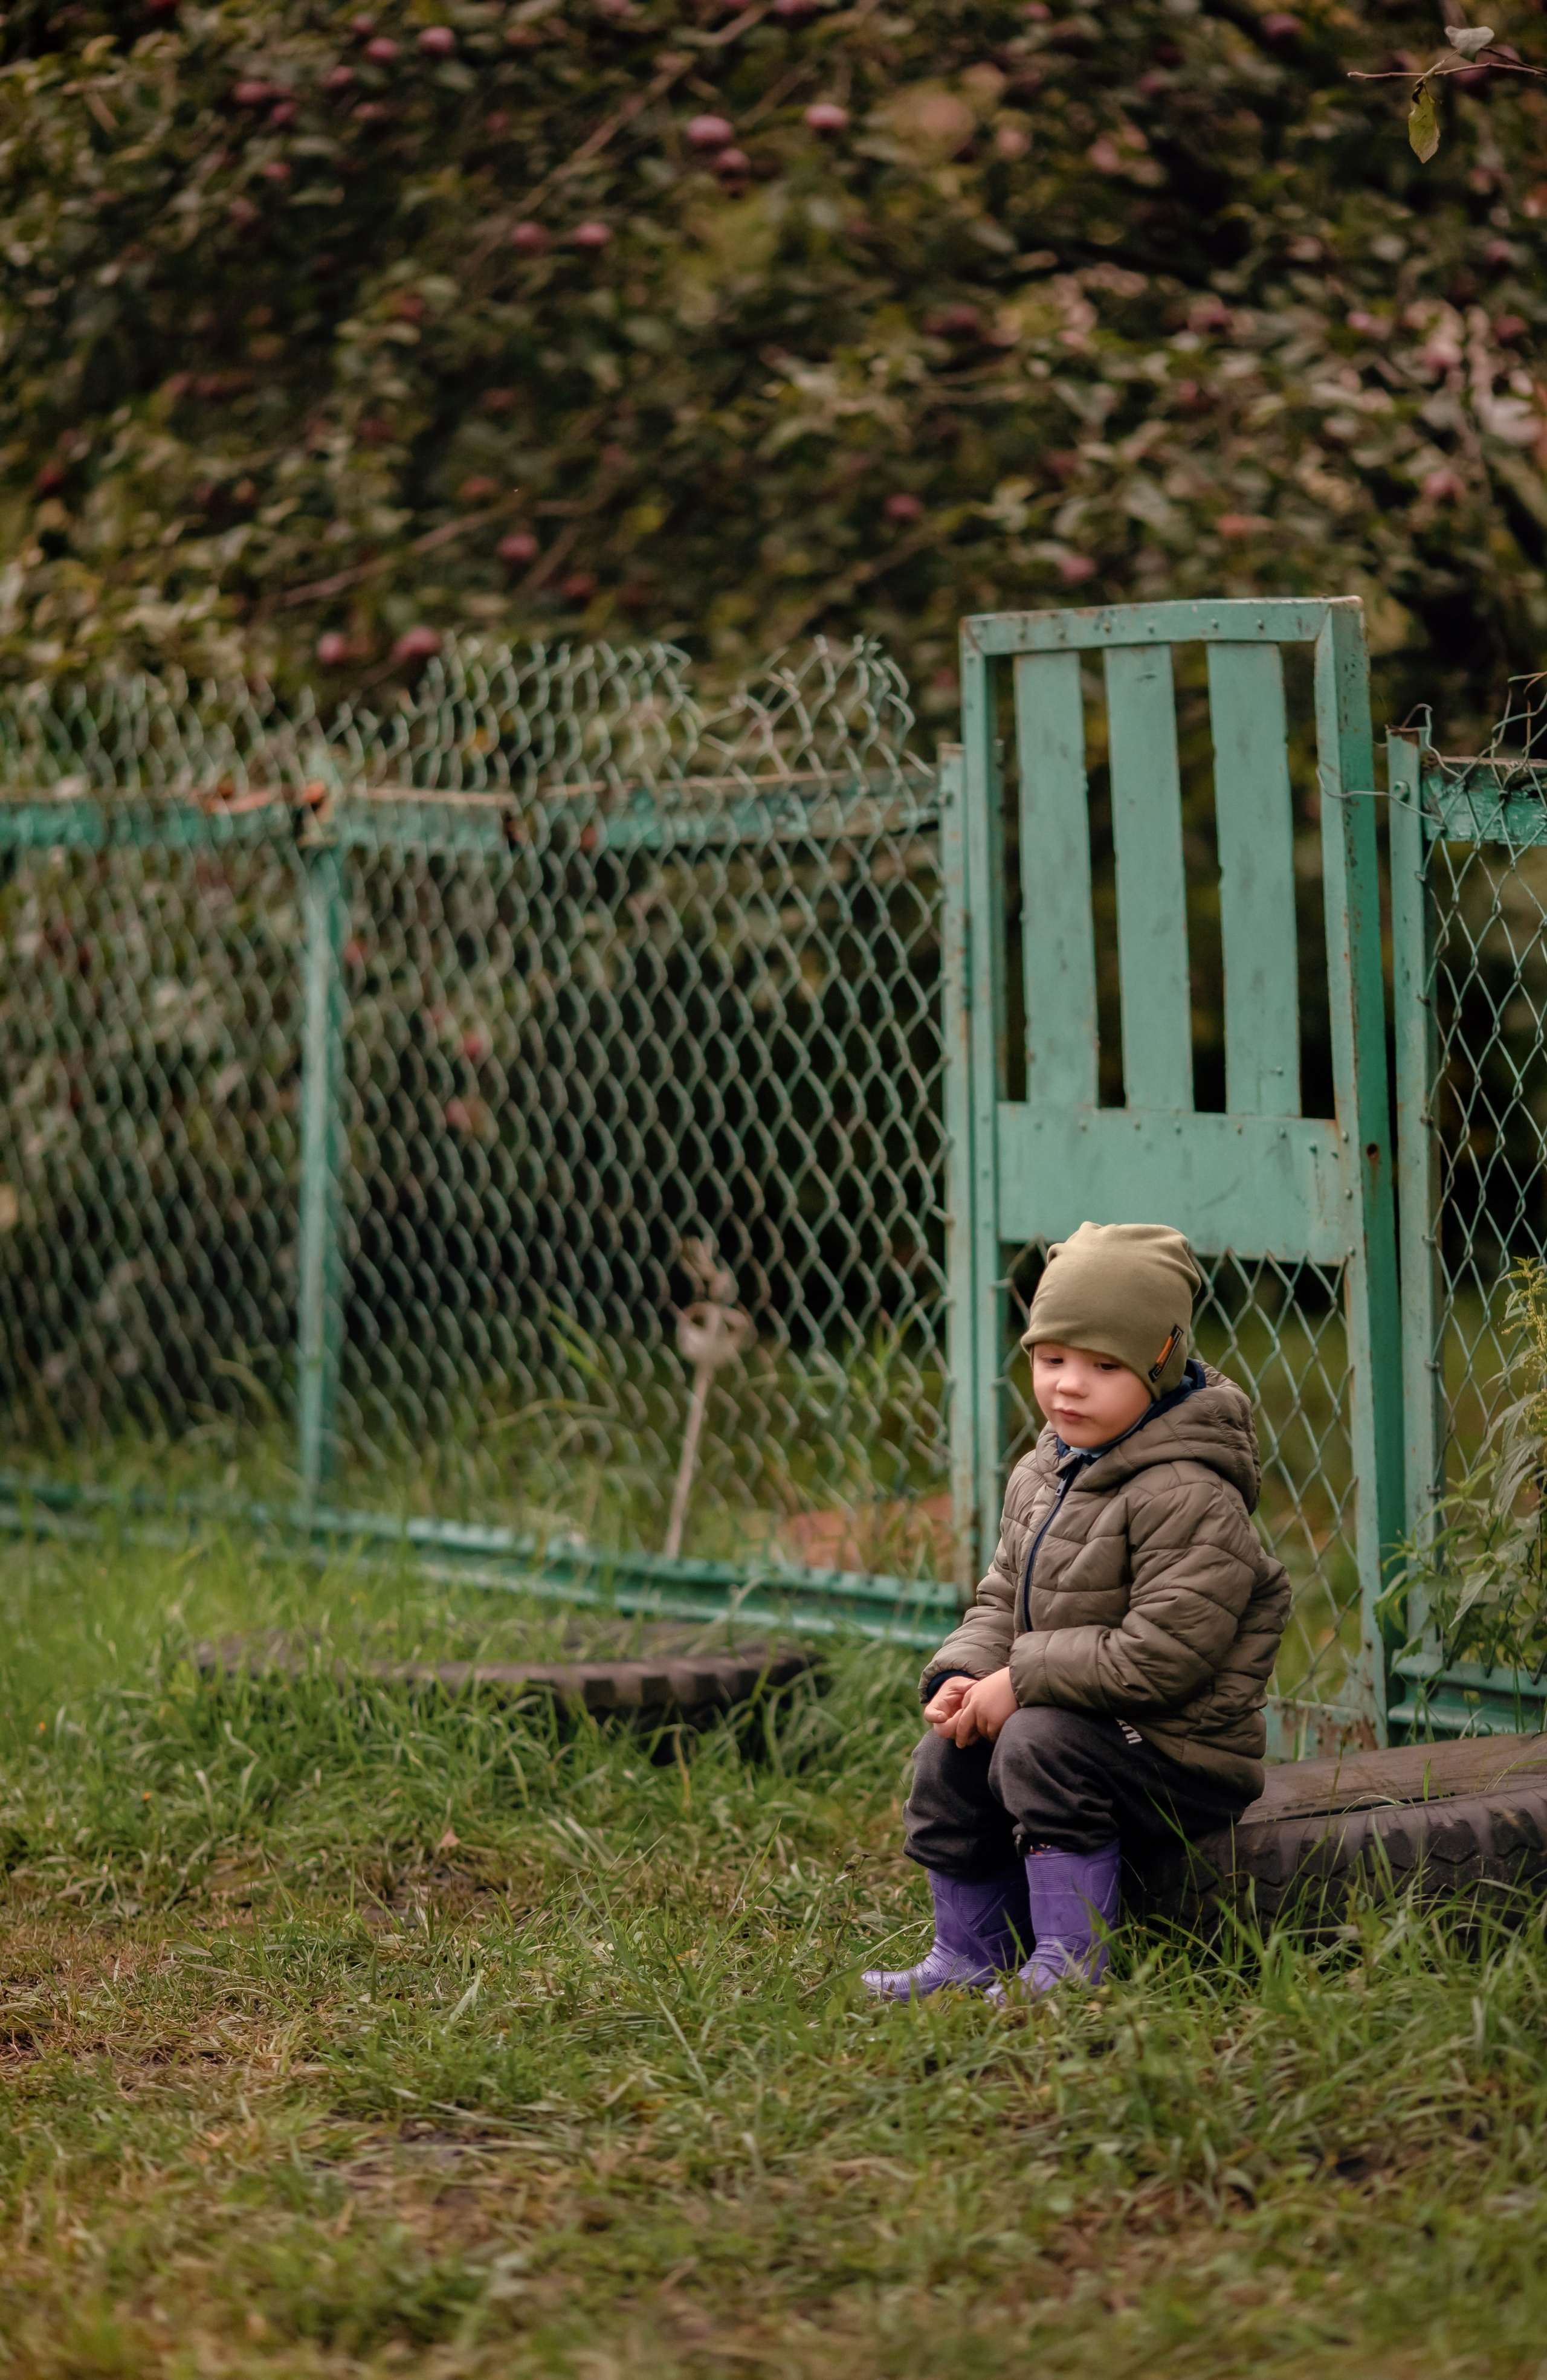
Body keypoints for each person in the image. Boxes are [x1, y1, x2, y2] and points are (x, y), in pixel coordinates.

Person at [864, 1220, 1290, 2004]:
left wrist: (1020, 1683)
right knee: (947, 1759)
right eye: (1051, 1358)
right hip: (1080, 1719)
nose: (1067, 1385)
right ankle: (970, 1951)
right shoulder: (1046, 1468)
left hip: (1181, 1752)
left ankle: (1070, 1964)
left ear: (1160, 1365)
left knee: (1034, 1742)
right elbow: (1002, 1596)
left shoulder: (1189, 1493)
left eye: (1103, 1365)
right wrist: (969, 1670)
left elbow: (1164, 1656)